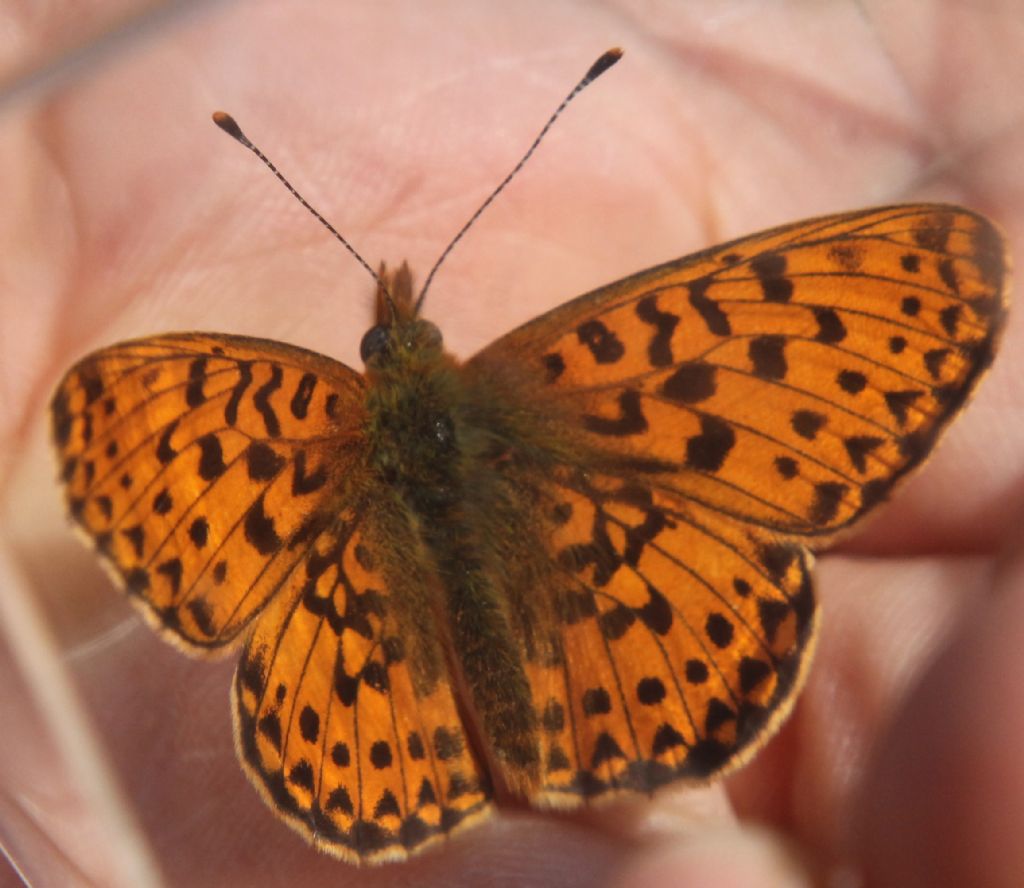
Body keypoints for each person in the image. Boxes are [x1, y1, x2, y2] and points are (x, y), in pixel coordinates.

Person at [2, 4, 1021, 886]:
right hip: (637, 585)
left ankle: (440, 750)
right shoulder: (601, 361)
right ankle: (599, 713)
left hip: (351, 663)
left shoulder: (242, 411)